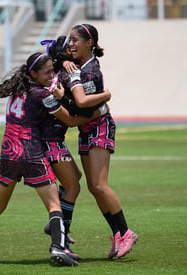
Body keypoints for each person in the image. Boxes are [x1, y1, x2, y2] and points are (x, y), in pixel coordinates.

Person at [0, 52, 107, 266]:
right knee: (55, 204)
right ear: (33, 73)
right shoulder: (42, 94)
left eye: (52, 71)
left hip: (8, 153)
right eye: (46, 72)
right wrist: (99, 110)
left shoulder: (16, 91)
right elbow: (71, 121)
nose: (51, 75)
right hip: (31, 154)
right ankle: (58, 248)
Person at [55, 24, 139, 259]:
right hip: (86, 129)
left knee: (100, 185)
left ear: (89, 42)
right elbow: (52, 53)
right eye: (69, 41)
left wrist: (104, 96)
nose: (70, 44)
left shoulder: (91, 71)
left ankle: (126, 232)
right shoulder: (76, 64)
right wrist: (62, 62)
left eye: (75, 40)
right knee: (93, 187)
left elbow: (84, 105)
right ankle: (117, 235)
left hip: (100, 127)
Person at [40, 36, 111, 261]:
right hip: (49, 141)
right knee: (72, 187)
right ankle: (60, 238)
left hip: (51, 140)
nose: (73, 51)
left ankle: (56, 223)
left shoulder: (57, 74)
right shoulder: (61, 79)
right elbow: (72, 119)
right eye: (69, 50)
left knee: (75, 179)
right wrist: (101, 109)